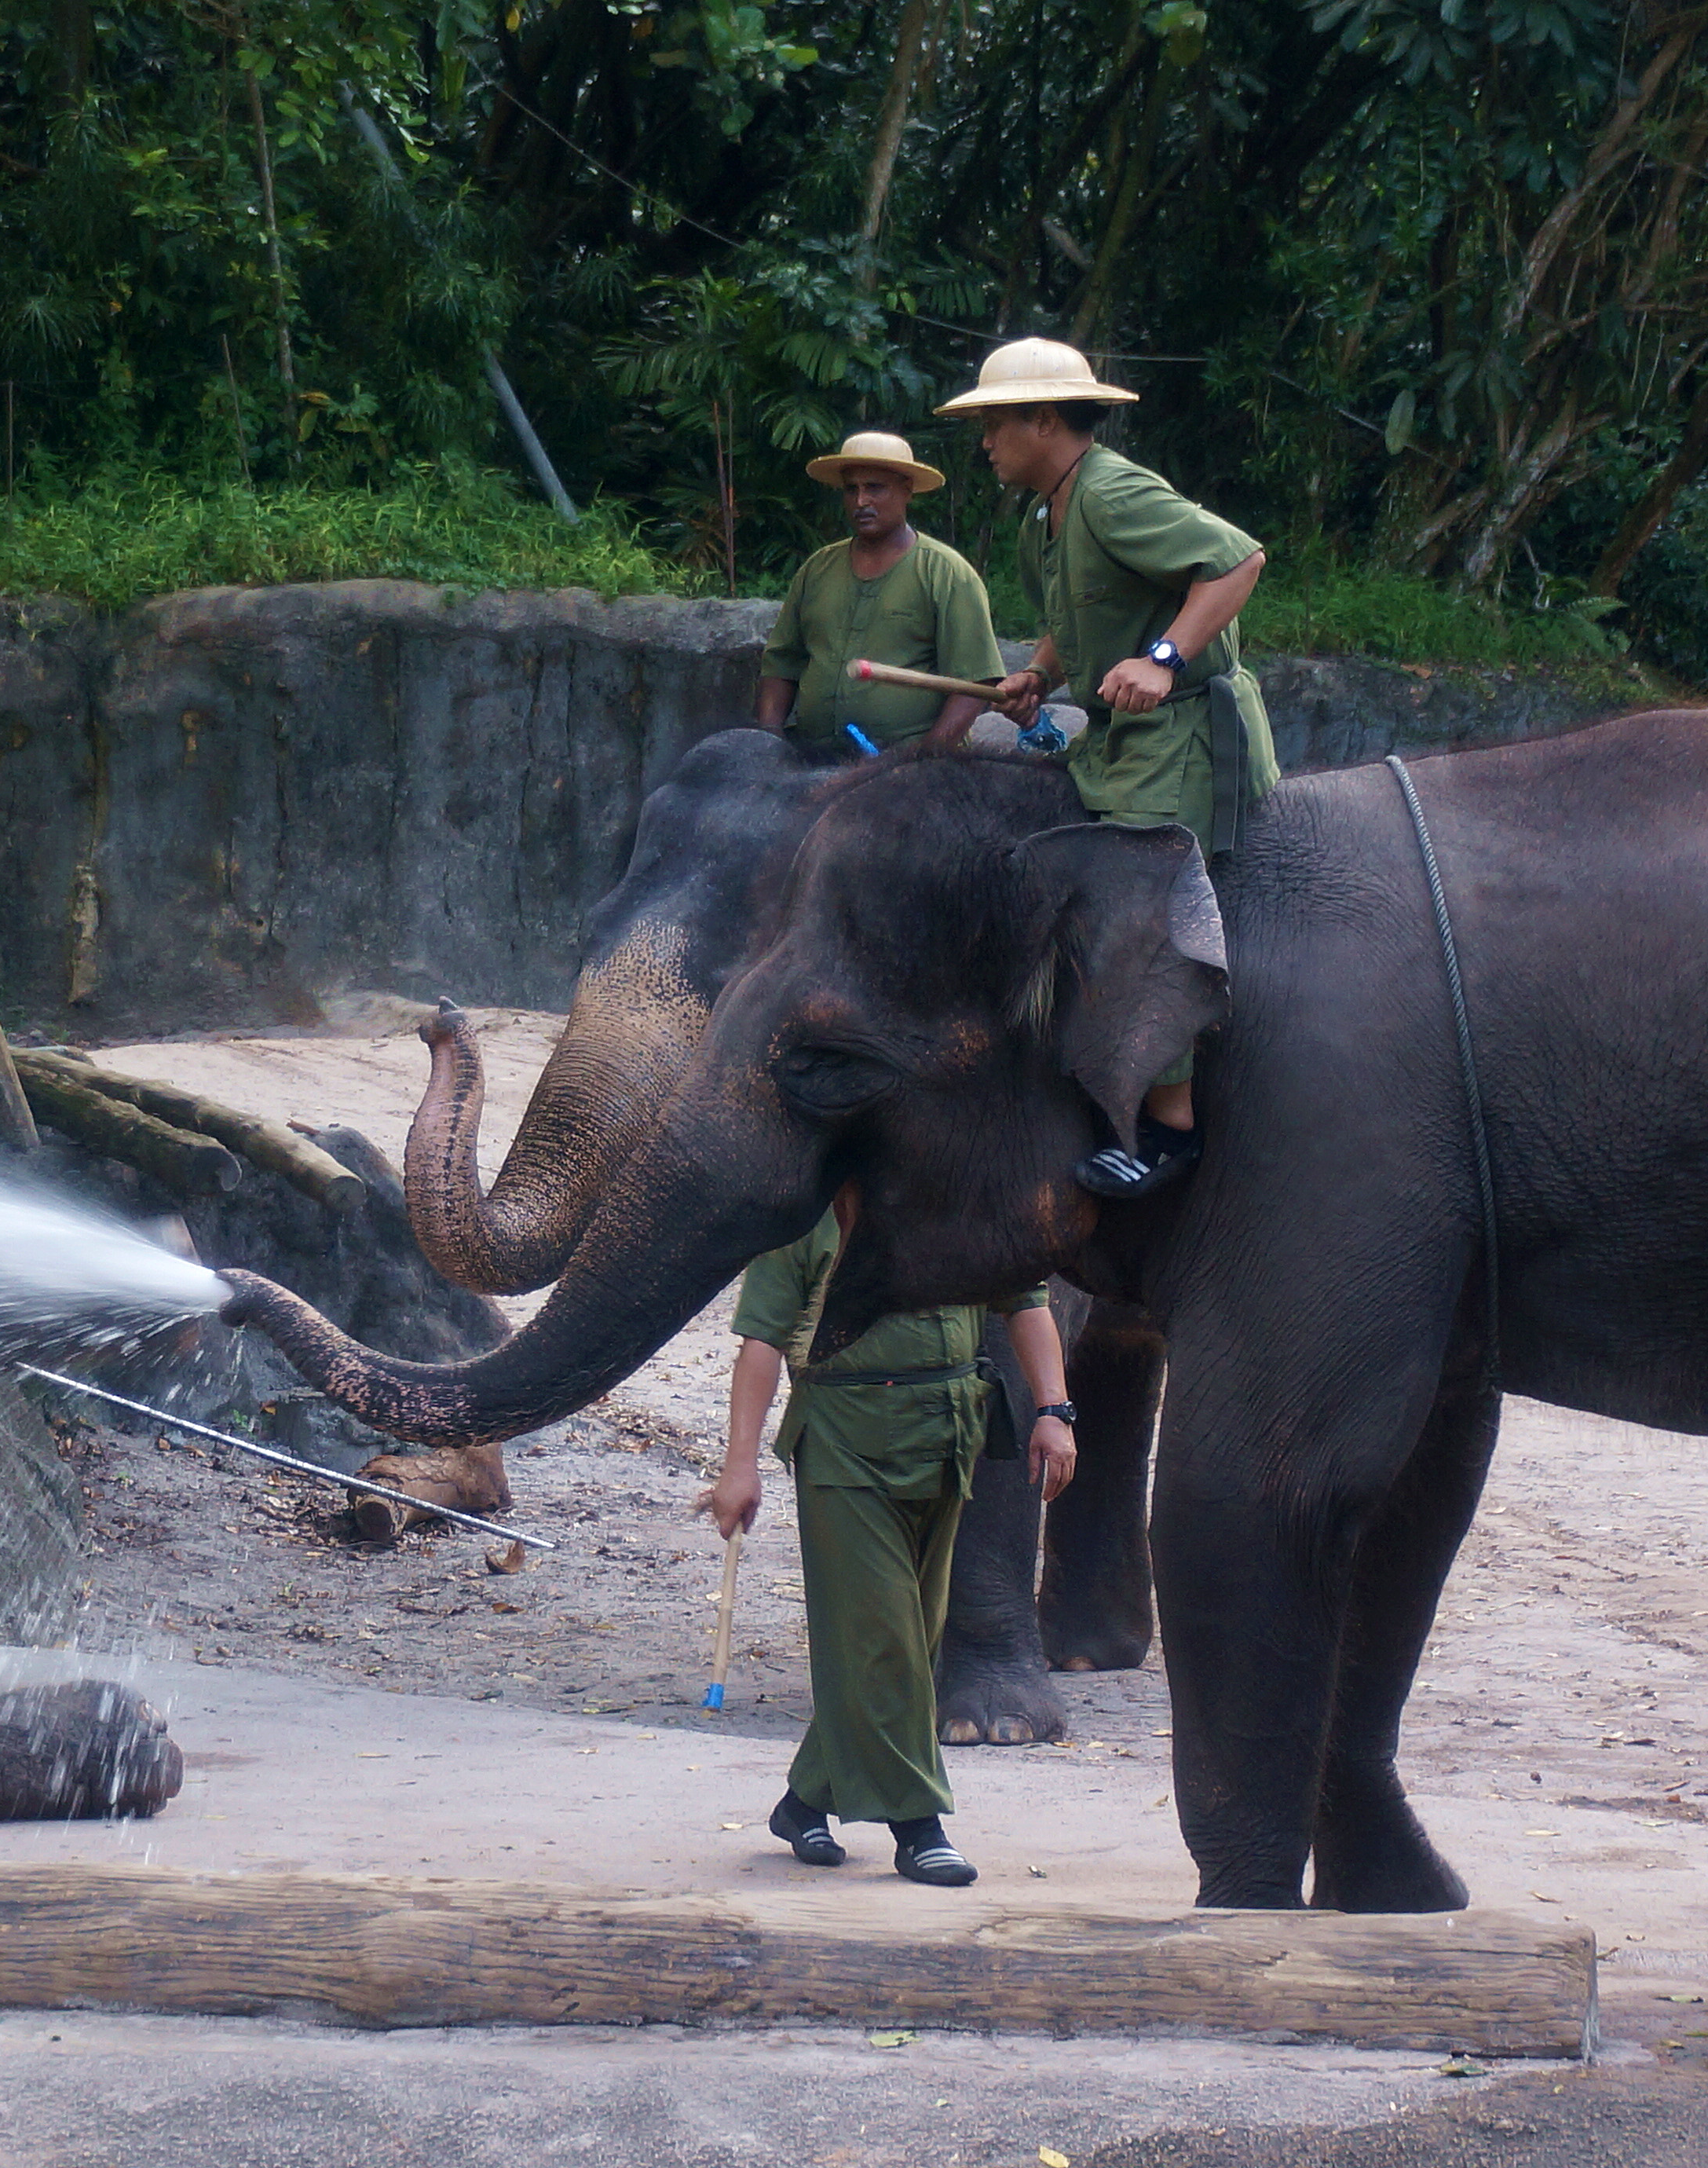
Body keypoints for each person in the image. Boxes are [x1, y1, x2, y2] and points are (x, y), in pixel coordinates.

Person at [936, 339, 1277, 1198]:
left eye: (995, 425)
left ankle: (1170, 1127)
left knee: (1139, 906)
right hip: (1116, 742)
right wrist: (1040, 675)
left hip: (1184, 739)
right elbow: (1077, 613)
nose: (984, 444)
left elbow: (1239, 559)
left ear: (1045, 422)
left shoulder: (1114, 491)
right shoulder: (1045, 513)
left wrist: (1164, 656)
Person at [696, 1188, 1077, 1884]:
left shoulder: (964, 1193)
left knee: (912, 1636)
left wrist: (1054, 1409)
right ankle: (918, 1825)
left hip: (946, 1439)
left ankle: (805, 1800)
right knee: (883, 1639)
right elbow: (762, 1344)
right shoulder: (805, 1213)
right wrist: (739, 1465)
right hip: (845, 1444)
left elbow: (1026, 1303)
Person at [754, 430, 1003, 763]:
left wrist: (926, 758)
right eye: (851, 489)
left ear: (907, 490)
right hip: (813, 757)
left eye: (875, 488)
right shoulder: (818, 569)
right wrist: (769, 739)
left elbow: (975, 681)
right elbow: (782, 661)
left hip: (905, 764)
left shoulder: (946, 573)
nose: (861, 502)